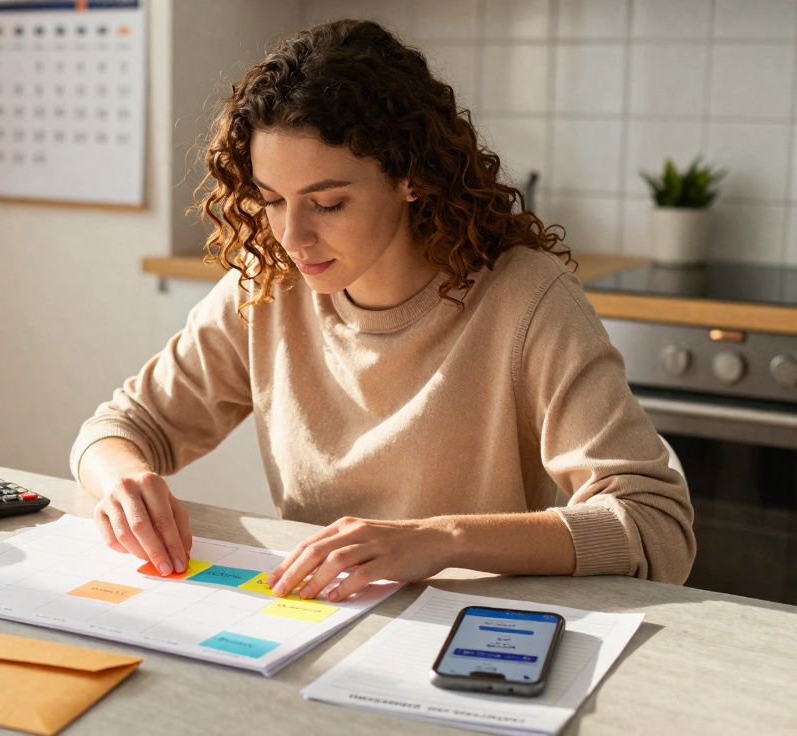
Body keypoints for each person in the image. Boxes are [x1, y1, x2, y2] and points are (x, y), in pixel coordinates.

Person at [69, 19, 695, 602]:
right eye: (272, 200)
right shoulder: (267, 289)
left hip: (469, 635)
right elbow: (117, 429)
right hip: (318, 623)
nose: (293, 237)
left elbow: (652, 524)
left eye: (329, 203)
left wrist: (439, 540)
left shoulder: (526, 300)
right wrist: (124, 482)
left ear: (411, 176)